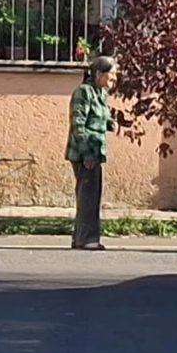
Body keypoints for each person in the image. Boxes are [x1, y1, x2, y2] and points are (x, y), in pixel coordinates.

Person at [66, 56, 117, 251]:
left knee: (91, 196)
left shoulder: (100, 93)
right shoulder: (83, 92)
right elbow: (78, 125)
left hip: (96, 151)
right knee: (87, 196)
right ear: (98, 74)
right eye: (111, 74)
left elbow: (98, 119)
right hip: (84, 153)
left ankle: (81, 237)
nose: (114, 78)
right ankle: (87, 239)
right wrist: (87, 154)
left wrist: (110, 123)